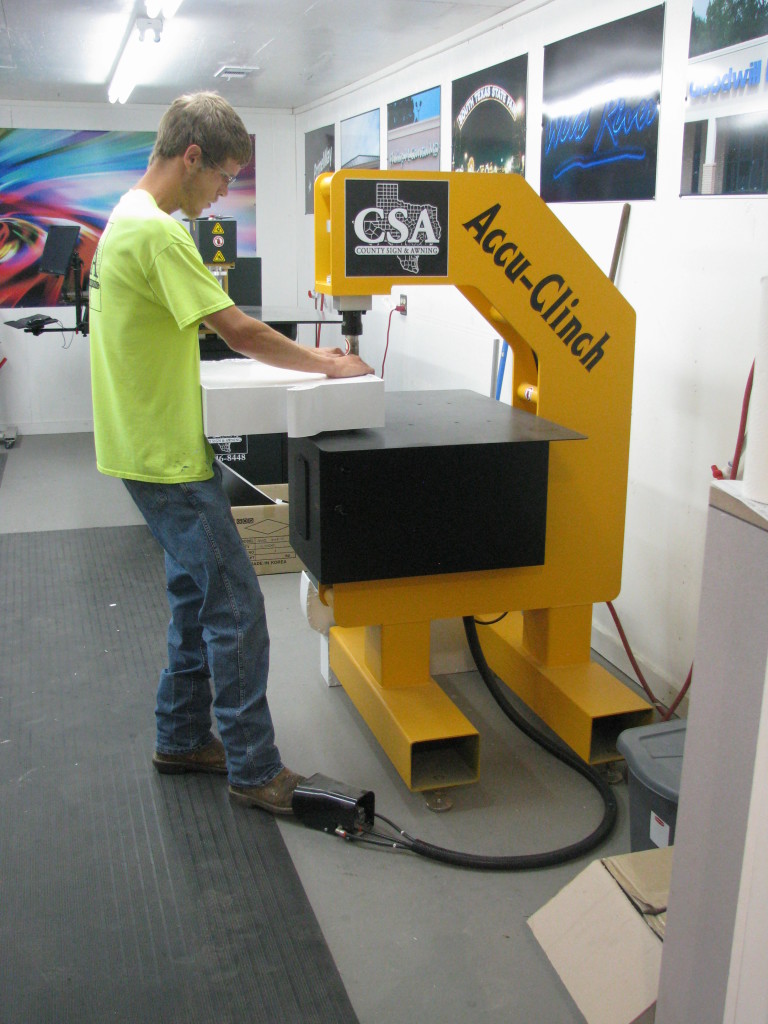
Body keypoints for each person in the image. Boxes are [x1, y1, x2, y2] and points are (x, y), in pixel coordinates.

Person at [88, 92, 373, 815]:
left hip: (142, 444)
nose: (222, 194)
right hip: (164, 458)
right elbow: (238, 330)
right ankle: (254, 769)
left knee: (196, 595)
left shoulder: (122, 217)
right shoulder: (157, 233)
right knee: (239, 609)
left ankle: (181, 737)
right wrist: (327, 364)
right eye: (222, 178)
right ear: (191, 158)